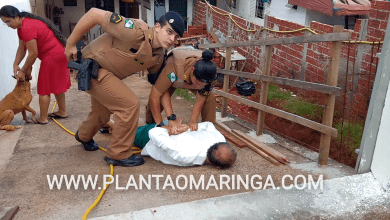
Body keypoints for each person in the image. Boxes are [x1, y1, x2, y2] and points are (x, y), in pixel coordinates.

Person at [64, 8, 185, 167]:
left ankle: (84, 136)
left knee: (102, 112)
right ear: (157, 27)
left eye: (176, 37)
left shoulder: (158, 56)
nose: (172, 38)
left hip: (107, 76)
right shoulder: (134, 31)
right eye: (169, 32)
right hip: (91, 68)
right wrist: (71, 43)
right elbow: (93, 13)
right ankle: (118, 154)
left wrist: (169, 119)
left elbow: (158, 83)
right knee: (129, 105)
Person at [0, 5, 71, 125]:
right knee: (56, 84)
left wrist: (23, 70)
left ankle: (42, 118)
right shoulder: (22, 26)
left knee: (44, 88)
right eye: (5, 23)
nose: (8, 25)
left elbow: (33, 54)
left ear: (16, 17)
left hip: (53, 55)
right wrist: (16, 63)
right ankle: (62, 111)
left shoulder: (27, 27)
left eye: (8, 21)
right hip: (58, 53)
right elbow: (22, 48)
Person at [146, 49, 217, 131]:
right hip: (174, 78)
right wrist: (170, 118)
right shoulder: (174, 69)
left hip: (187, 77)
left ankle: (209, 129)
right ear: (193, 70)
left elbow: (201, 98)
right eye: (197, 83)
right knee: (154, 106)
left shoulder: (210, 76)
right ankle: (149, 125)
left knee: (210, 98)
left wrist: (193, 121)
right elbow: (156, 95)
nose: (199, 86)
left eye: (202, 85)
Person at [141, 121, 237, 168]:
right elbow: (209, 124)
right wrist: (185, 128)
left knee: (130, 127)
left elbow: (154, 133)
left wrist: (172, 130)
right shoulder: (220, 139)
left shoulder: (185, 156)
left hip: (149, 139)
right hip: (171, 127)